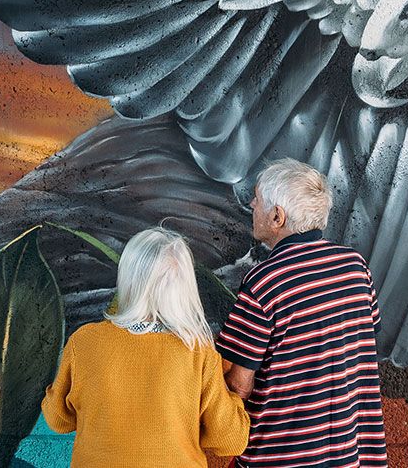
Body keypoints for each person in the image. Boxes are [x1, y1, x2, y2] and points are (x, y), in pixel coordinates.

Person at [216, 159, 388, 467]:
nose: (253, 204)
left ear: (277, 216)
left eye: (257, 198)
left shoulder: (265, 281)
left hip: (283, 457)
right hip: (350, 452)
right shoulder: (355, 267)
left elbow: (240, 384)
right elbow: (359, 344)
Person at [41, 227, 249, 467]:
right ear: (185, 288)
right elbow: (230, 440)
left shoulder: (84, 341)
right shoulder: (198, 351)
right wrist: (233, 394)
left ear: (128, 277)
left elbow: (58, 420)